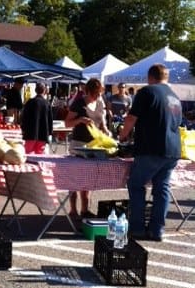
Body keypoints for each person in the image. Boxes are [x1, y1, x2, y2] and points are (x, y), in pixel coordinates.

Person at [118, 64, 182, 241]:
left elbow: (131, 117)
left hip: (150, 148)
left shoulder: (147, 92)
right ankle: (157, 230)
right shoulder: (174, 96)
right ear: (166, 77)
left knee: (137, 185)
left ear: (150, 77)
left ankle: (137, 228)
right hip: (173, 150)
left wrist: (123, 136)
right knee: (162, 188)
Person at [65, 78, 111, 218]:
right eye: (95, 93)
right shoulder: (79, 103)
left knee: (89, 179)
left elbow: (101, 122)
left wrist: (106, 130)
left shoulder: (100, 102)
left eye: (100, 93)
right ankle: (73, 209)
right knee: (74, 178)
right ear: (88, 91)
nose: (97, 96)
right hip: (78, 144)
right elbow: (67, 123)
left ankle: (85, 209)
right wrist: (80, 120)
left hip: (94, 145)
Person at [20, 83, 53, 154]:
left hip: (30, 133)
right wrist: (50, 132)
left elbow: (24, 117)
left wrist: (23, 128)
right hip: (43, 134)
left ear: (35, 90)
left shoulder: (30, 102)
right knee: (40, 156)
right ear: (44, 91)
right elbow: (50, 120)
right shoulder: (47, 104)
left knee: (27, 155)